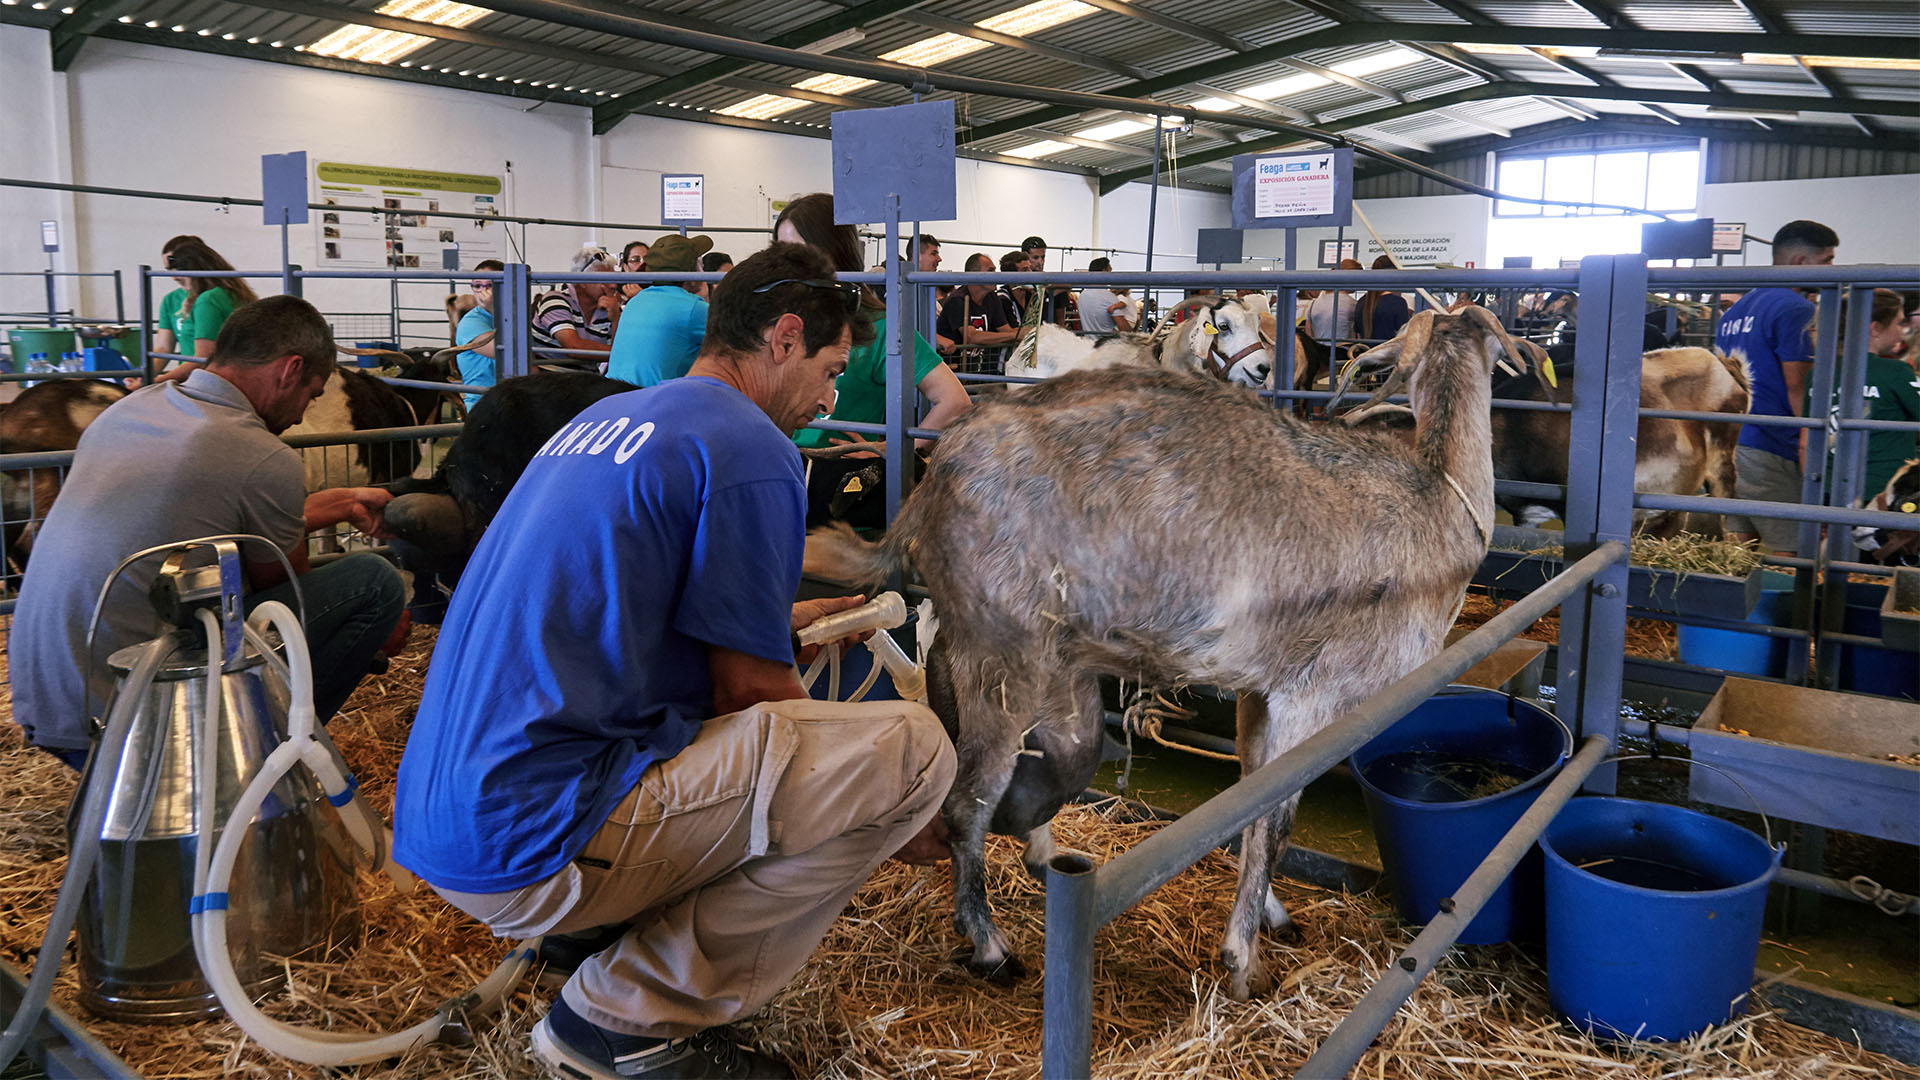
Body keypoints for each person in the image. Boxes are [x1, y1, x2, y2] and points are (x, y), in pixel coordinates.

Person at [390, 245, 955, 1080]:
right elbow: (752, 699)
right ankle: (619, 1020)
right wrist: (900, 814)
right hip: (535, 840)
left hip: (445, 818)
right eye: (831, 368)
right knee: (912, 755)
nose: (830, 397)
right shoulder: (753, 444)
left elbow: (623, 619)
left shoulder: (604, 420)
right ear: (785, 338)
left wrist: (776, 623)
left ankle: (591, 937)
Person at [9, 296, 407, 769]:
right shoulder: (261, 454)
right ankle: (267, 754)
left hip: (46, 694)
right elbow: (283, 595)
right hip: (128, 714)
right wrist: (382, 627)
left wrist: (332, 506)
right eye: (312, 393)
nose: (303, 414)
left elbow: (207, 519)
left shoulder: (130, 410)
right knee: (375, 581)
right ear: (289, 369)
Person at [776, 193, 972, 527]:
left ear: (836, 253)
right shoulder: (780, 320)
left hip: (841, 487)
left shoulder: (878, 327)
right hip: (781, 475)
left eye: (804, 252)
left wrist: (888, 448)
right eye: (782, 252)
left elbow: (954, 400)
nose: (791, 265)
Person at [1716, 219, 1839, 554]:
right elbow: (1798, 383)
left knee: (1740, 550)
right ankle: (1783, 607)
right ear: (1801, 262)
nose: (1831, 268)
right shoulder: (1795, 308)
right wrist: (1810, 438)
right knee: (1790, 552)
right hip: (1775, 444)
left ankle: (1743, 607)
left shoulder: (1733, 313)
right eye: (1827, 260)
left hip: (1732, 441)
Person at [1805, 288, 1920, 500]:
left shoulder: (1818, 374)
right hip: (1884, 492)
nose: (1900, 331)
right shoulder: (1896, 371)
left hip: (1830, 489)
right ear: (1875, 328)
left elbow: (1806, 439)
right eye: (1898, 322)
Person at [607, 234, 715, 387]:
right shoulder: (693, 308)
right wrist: (705, 296)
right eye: (700, 264)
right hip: (651, 402)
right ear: (692, 273)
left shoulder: (636, 301)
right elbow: (736, 347)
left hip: (615, 397)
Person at [154, 236, 260, 383]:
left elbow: (202, 359)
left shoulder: (208, 300)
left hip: (207, 381)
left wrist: (153, 382)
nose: (174, 276)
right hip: (233, 379)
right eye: (169, 269)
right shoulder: (235, 293)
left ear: (193, 266)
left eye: (178, 267)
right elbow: (163, 347)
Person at [532, 247, 622, 370]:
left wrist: (616, 318)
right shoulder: (555, 300)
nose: (613, 285)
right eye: (605, 279)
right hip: (549, 376)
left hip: (587, 380)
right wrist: (621, 354)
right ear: (583, 281)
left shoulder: (610, 307)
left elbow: (620, 351)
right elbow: (573, 348)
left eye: (613, 279)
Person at [937, 253, 1021, 349]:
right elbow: (971, 337)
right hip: (952, 362)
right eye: (990, 271)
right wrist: (1016, 335)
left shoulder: (992, 297)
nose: (996, 275)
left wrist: (1027, 333)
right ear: (973, 274)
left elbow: (1005, 330)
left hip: (977, 363)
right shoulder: (958, 300)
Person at [455, 259, 503, 409]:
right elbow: (507, 352)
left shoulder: (514, 315)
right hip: (483, 404)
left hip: (508, 399)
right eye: (477, 286)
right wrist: (493, 308)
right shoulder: (470, 323)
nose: (483, 291)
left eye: (489, 285)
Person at [1353, 254, 1411, 342]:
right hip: (1389, 354)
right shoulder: (1397, 303)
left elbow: (1357, 333)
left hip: (1365, 353)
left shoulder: (1362, 302)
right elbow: (1404, 336)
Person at [1305, 258, 1364, 344]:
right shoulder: (1354, 305)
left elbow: (1309, 335)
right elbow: (1360, 336)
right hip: (1343, 354)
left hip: (1319, 353)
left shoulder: (1313, 304)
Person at [1076, 258, 1135, 333]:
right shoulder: (1109, 297)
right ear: (1104, 271)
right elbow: (1125, 330)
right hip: (1107, 343)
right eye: (1110, 272)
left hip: (1089, 341)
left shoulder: (1082, 296)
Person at [998, 250, 1032, 324]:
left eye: (1030, 268)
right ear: (1011, 276)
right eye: (1025, 270)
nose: (1031, 273)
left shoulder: (1032, 294)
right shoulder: (1002, 298)